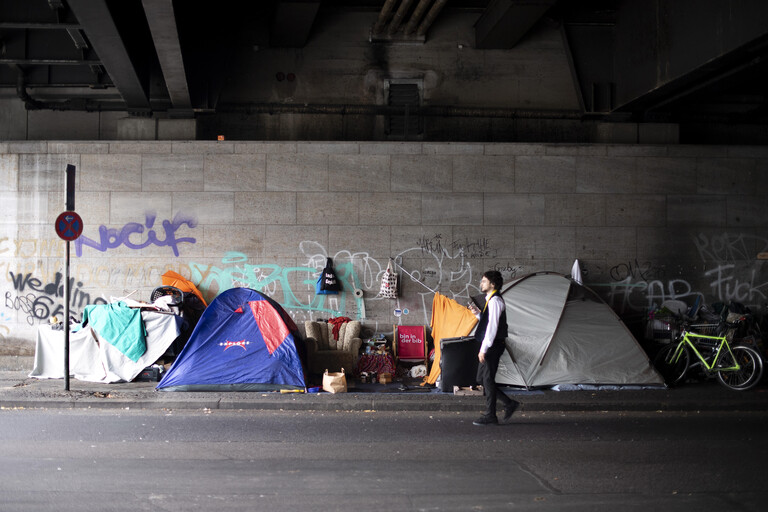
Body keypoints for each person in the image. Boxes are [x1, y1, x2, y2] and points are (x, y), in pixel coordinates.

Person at [467, 270, 519, 425]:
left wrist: (483, 349)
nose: (481, 283)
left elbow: (492, 327)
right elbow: (488, 321)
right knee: (481, 379)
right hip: (492, 345)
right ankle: (509, 403)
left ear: (493, 284)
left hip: (493, 345)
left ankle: (491, 415)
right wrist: (477, 313)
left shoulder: (495, 301)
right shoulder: (491, 300)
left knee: (487, 379)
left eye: (484, 281)